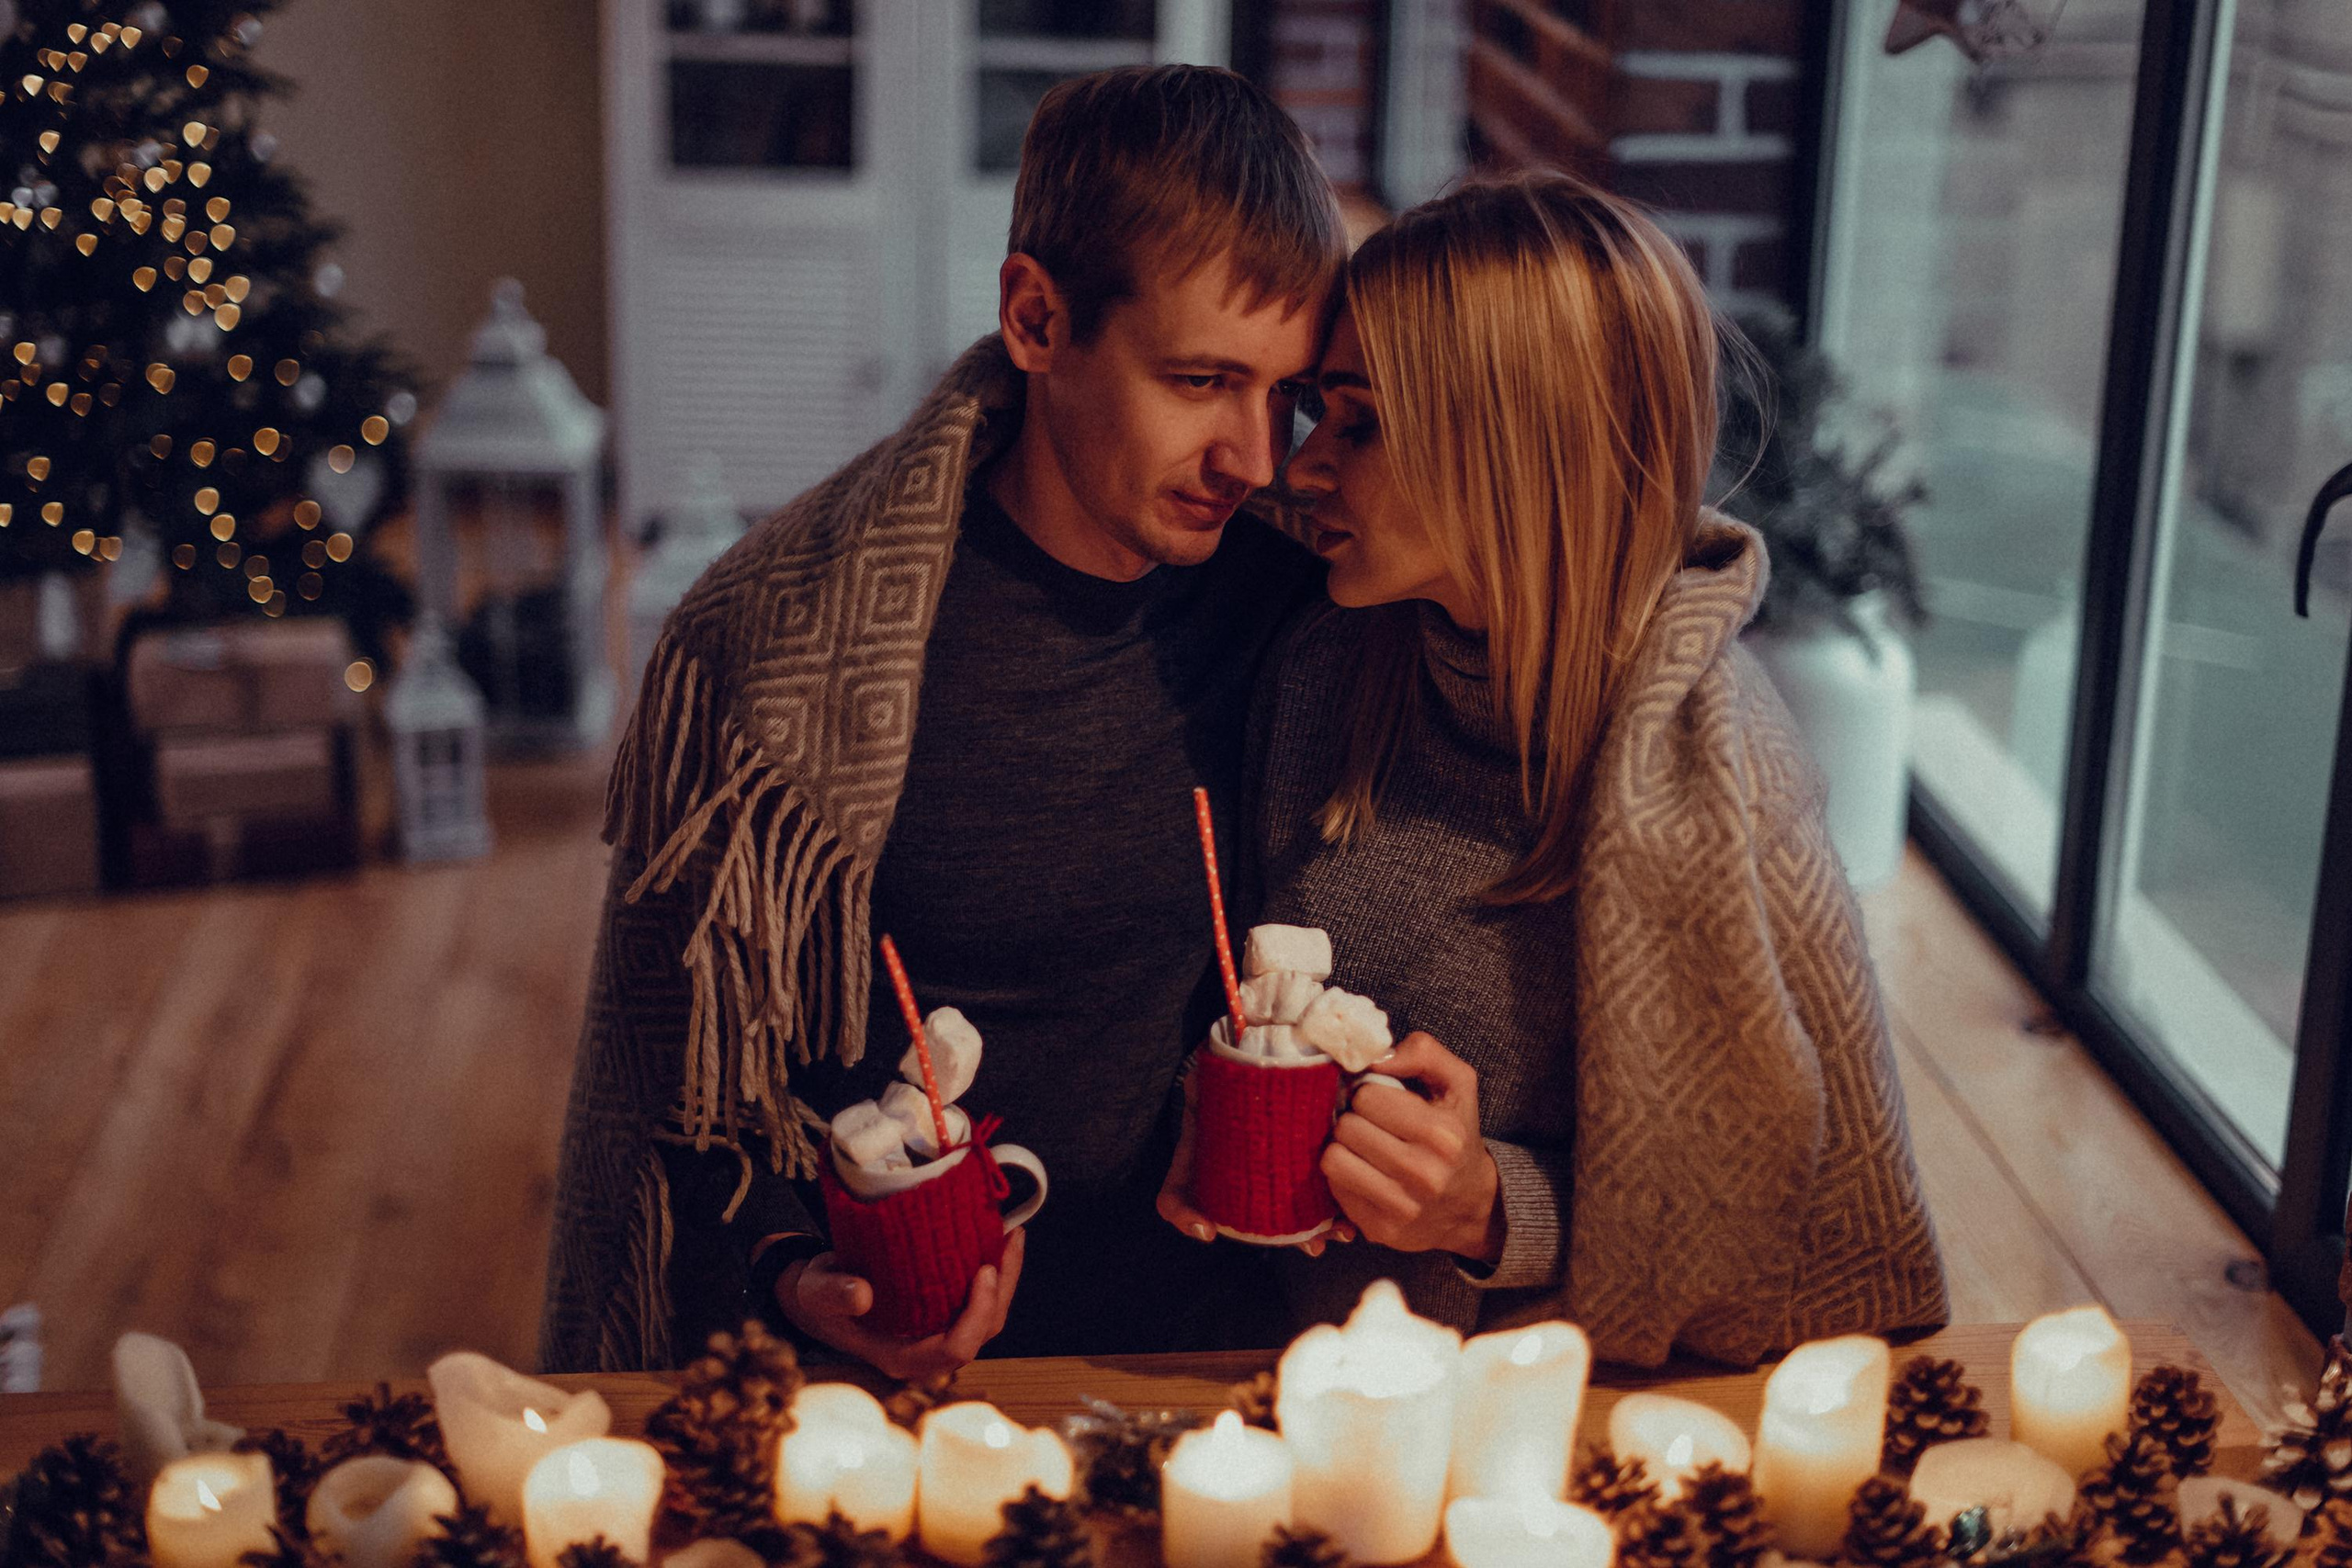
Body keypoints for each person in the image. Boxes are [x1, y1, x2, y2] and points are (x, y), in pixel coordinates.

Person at [542, 64, 1346, 1375]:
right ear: (1036, 319)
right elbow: (674, 1094)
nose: (1255, 459)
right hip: (884, 1380)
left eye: (1286, 395)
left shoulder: (1308, 602)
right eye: (1201, 381)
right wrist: (796, 1272)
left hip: (1225, 1369)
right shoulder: (779, 647)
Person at [1160, 171, 1949, 1366]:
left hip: (1568, 1431)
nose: (1301, 467)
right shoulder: (1328, 660)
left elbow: (1804, 1247)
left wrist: (1493, 1210)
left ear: (1516, 449)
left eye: (1360, 424)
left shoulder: (1715, 775)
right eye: (1321, 413)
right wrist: (1230, 1112)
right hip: (1311, 1378)